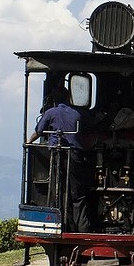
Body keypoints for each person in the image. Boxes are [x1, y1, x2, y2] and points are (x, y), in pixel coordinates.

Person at [27, 87, 93, 233]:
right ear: (69, 97)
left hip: (57, 155)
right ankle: (82, 228)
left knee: (59, 191)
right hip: (75, 155)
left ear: (54, 100)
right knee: (77, 193)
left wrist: (28, 142)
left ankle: (62, 225)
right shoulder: (77, 113)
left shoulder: (51, 113)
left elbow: (38, 131)